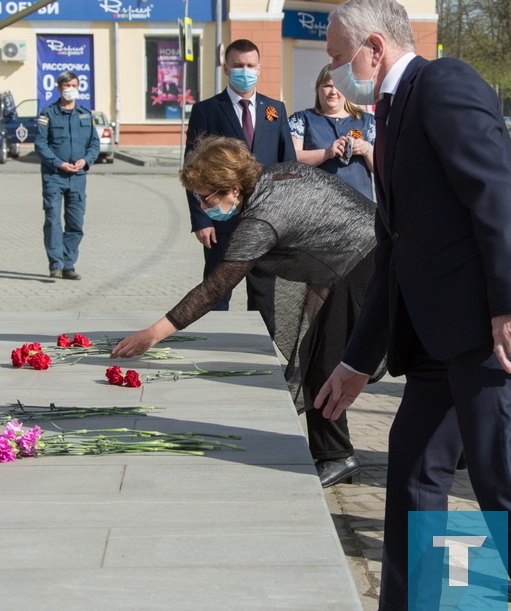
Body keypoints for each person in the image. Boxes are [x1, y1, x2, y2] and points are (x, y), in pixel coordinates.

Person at [314, 0, 511, 610]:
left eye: (339, 57)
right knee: (414, 469)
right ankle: (431, 603)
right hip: (441, 335)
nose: (333, 72)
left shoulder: (442, 83)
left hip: (496, 327)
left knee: (508, 484)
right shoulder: (389, 112)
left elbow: (495, 194)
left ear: (374, 48)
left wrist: (509, 305)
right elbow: (396, 248)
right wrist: (358, 361)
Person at [112, 135, 381, 488]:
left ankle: (337, 456)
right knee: (404, 356)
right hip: (375, 251)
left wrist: (153, 333)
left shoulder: (261, 220)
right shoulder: (278, 175)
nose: (202, 203)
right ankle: (457, 449)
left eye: (205, 196)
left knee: (322, 364)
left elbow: (214, 289)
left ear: (233, 189)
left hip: (366, 266)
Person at [184, 39, 295, 326]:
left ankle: (261, 353)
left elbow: (287, 167)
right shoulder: (207, 110)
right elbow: (193, 170)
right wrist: (201, 220)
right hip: (221, 221)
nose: (243, 71)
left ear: (259, 69)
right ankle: (214, 342)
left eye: (249, 66)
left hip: (265, 222)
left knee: (264, 294)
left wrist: (285, 219)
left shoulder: (275, 110)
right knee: (216, 291)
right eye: (237, 66)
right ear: (226, 67)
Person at [34, 70, 100, 280]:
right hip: (54, 175)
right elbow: (40, 144)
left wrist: (86, 160)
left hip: (78, 177)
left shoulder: (85, 114)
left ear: (78, 87)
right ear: (59, 88)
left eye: (74, 85)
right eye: (66, 86)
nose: (70, 89)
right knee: (53, 219)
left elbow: (94, 143)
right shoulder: (48, 113)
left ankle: (68, 264)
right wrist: (59, 163)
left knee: (75, 223)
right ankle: (55, 263)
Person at [289, 64, 375, 200]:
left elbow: (381, 168)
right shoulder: (302, 119)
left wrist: (366, 149)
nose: (333, 91)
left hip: (360, 207)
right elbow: (291, 159)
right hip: (317, 203)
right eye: (327, 85)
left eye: (339, 86)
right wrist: (326, 153)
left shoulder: (367, 121)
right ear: (318, 89)